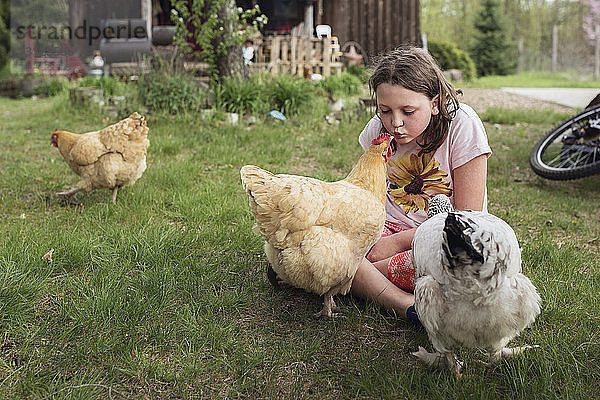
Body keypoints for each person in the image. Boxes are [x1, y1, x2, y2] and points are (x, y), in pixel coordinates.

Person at [350, 45, 492, 323]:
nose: (396, 123)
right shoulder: (377, 130)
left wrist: (395, 244)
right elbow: (367, 197)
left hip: (446, 234)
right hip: (386, 228)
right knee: (337, 247)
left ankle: (351, 279)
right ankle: (407, 305)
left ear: (435, 103)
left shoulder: (463, 125)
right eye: (385, 110)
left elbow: (468, 219)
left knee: (456, 266)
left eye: (408, 111)